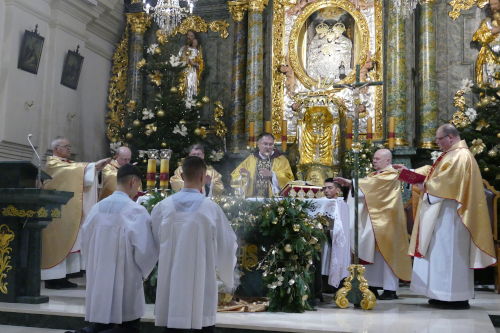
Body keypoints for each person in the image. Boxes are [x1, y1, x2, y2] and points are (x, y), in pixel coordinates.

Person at [395, 124, 496, 309]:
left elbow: (445, 183)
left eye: (439, 140)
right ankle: (439, 294)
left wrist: (425, 185)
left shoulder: (461, 155)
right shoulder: (451, 154)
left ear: (450, 137)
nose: (437, 143)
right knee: (439, 255)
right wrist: (408, 174)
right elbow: (433, 174)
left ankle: (454, 297)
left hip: (453, 215)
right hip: (442, 213)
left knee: (450, 256)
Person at [152, 156, 237, 332]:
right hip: (202, 280)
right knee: (202, 320)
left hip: (171, 281)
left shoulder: (163, 207)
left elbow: (151, 242)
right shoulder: (211, 209)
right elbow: (227, 244)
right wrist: (227, 276)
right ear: (203, 177)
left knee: (172, 322)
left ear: (182, 177)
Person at [76, 164, 158, 333]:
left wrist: (94, 266)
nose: (137, 190)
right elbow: (145, 250)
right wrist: (144, 272)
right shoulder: (136, 211)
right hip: (126, 277)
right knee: (129, 326)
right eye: (138, 185)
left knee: (101, 322)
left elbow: (84, 242)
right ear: (133, 181)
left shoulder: (96, 208)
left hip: (99, 276)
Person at [335, 149, 412, 300]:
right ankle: (372, 286)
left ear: (387, 161)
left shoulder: (390, 175)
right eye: (374, 158)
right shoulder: (374, 176)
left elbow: (371, 188)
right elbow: (367, 190)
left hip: (388, 223)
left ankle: (390, 289)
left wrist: (352, 183)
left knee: (387, 255)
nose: (374, 161)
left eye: (377, 159)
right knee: (372, 253)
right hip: (374, 222)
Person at [42, 137, 110, 289]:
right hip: (56, 213)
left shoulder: (69, 164)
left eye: (69, 146)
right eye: (66, 146)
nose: (69, 149)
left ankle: (62, 277)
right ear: (56, 149)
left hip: (67, 212)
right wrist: (93, 166)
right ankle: (52, 279)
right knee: (57, 243)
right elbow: (71, 172)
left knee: (69, 240)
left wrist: (94, 169)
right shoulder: (52, 163)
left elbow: (82, 177)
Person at [230, 133, 294, 197]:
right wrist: (245, 176)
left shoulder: (281, 160)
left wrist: (272, 175)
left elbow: (288, 180)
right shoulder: (251, 159)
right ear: (258, 144)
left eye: (271, 144)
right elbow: (235, 176)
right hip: (252, 201)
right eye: (265, 144)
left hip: (273, 201)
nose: (268, 147)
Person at [319, 179, 350, 292]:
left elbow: (342, 227)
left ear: (338, 190)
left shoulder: (342, 204)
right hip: (325, 239)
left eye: (330, 188)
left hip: (336, 239)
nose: (326, 190)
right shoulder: (322, 202)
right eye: (324, 188)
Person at [178, 30, 204, 101]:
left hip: (192, 72)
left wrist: (195, 64)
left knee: (191, 86)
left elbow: (200, 62)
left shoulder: (197, 51)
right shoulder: (183, 48)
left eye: (191, 36)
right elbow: (178, 60)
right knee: (184, 87)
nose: (189, 37)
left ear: (195, 39)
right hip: (184, 71)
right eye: (188, 35)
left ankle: (191, 101)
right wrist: (185, 59)